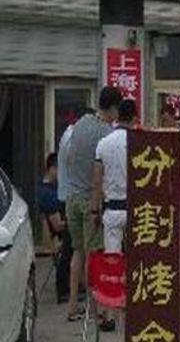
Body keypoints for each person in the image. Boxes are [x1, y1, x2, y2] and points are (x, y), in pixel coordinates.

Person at [64, 85, 121, 323]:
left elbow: (68, 158)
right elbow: (103, 173)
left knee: (77, 252)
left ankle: (72, 305)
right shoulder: (106, 134)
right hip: (91, 201)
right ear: (114, 108)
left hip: (72, 197)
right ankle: (95, 307)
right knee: (93, 255)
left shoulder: (80, 124)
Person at [91, 99, 137, 259]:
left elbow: (97, 181)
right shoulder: (139, 144)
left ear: (118, 116)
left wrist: (94, 210)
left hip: (112, 209)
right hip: (136, 209)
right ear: (134, 118)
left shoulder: (103, 143)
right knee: (135, 259)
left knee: (112, 260)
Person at [37, 153, 71, 305]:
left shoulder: (46, 188)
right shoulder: (49, 194)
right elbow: (57, 225)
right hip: (59, 236)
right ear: (52, 169)